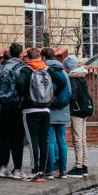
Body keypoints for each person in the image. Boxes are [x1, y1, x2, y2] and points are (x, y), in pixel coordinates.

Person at [17, 48, 53, 182]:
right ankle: (43, 171)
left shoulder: (26, 70)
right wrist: (52, 97)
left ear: (28, 57)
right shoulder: (48, 69)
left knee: (33, 141)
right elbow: (60, 82)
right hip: (45, 109)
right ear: (40, 57)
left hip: (30, 109)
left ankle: (35, 170)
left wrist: (22, 97)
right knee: (44, 141)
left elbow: (20, 83)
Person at [0, 42, 26, 178]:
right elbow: (25, 89)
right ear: (21, 55)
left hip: (2, 108)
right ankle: (18, 169)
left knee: (3, 138)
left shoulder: (0, 68)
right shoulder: (23, 68)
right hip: (17, 108)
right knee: (17, 139)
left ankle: (3, 167)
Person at [42, 47, 71, 178]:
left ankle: (49, 170)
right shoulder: (64, 72)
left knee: (50, 140)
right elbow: (69, 92)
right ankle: (63, 170)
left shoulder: (46, 71)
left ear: (43, 58)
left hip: (50, 110)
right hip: (63, 110)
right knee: (62, 140)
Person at [64, 55, 92, 175]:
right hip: (85, 110)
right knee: (83, 139)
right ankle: (84, 164)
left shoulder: (73, 79)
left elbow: (72, 96)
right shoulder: (82, 77)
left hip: (77, 112)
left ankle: (78, 166)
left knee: (77, 139)